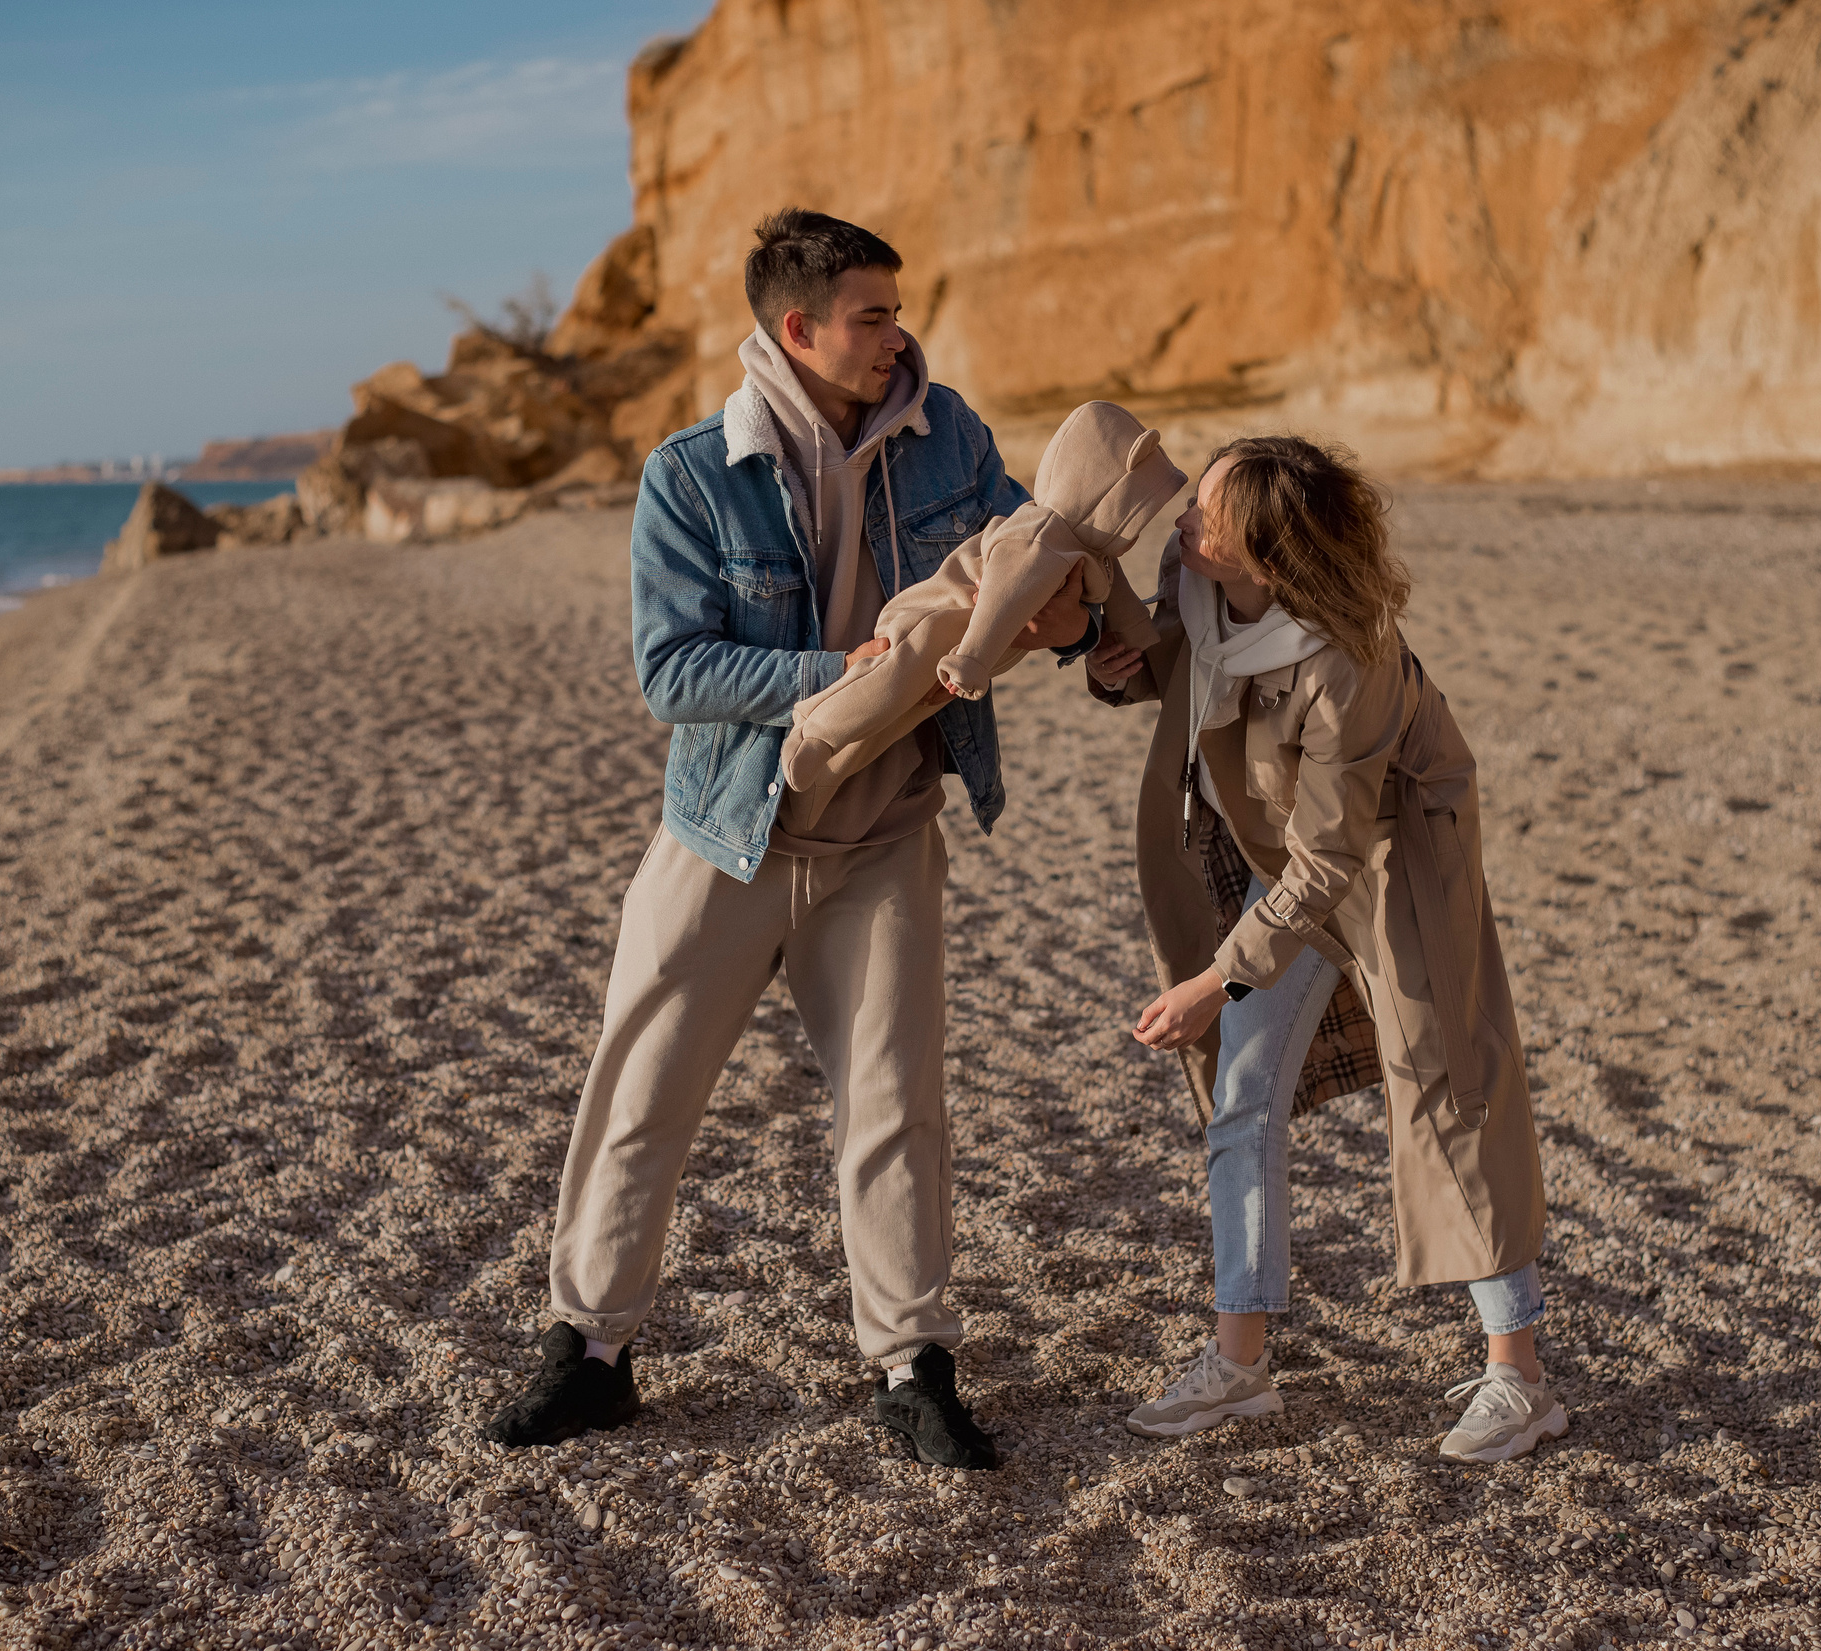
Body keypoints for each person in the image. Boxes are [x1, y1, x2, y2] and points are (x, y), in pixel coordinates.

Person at [483, 208, 1095, 1466]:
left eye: (897, 307)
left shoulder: (952, 436)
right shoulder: (693, 472)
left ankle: (911, 1365)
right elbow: (673, 671)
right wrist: (848, 668)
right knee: (641, 1089)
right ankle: (590, 1351)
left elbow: (1034, 557)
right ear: (796, 328)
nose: (897, 334)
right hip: (727, 826)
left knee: (894, 1100)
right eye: (872, 314)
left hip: (890, 830)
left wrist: (1084, 620)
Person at [1086, 436, 1569, 1464]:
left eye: (1206, 513)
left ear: (1268, 554)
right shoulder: (1195, 577)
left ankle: (1520, 1376)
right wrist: (1110, 668)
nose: (1183, 518)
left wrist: (1217, 978)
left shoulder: (1351, 660)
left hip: (1397, 858)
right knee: (1241, 1093)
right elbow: (1180, 663)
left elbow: (1333, 856)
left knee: (1446, 1084)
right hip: (1282, 846)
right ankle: (1239, 1363)